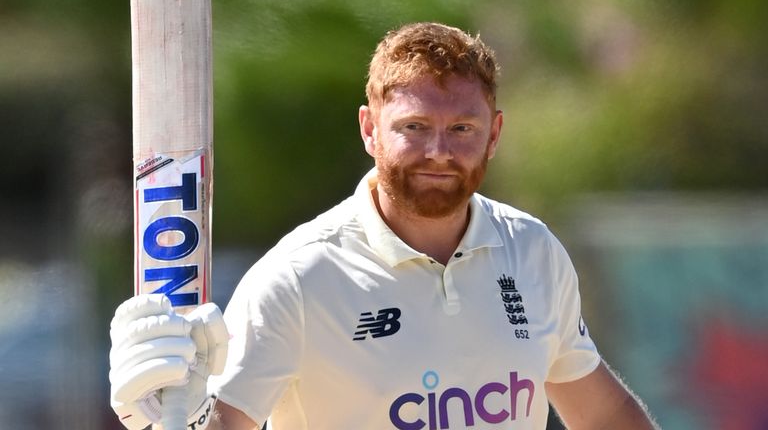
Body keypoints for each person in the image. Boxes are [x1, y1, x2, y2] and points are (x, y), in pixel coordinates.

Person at [109, 22, 658, 430]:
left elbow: (605, 415)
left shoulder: (533, 251)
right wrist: (163, 420)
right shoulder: (298, 279)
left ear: (494, 134)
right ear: (370, 129)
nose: (439, 152)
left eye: (462, 128)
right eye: (414, 127)